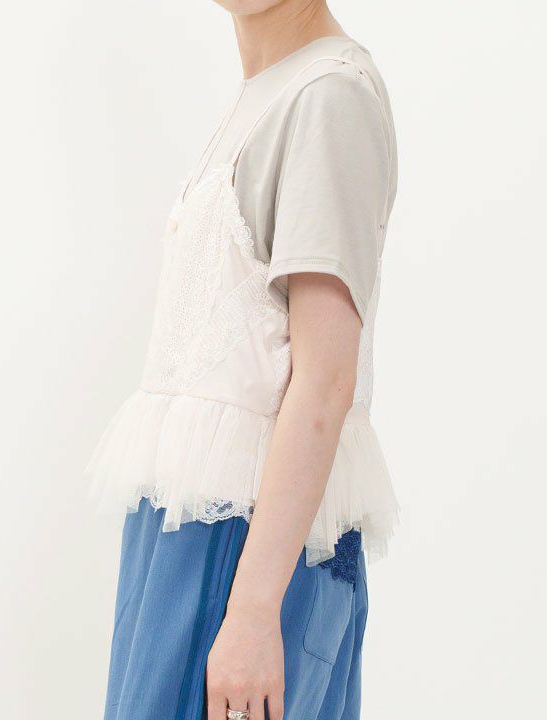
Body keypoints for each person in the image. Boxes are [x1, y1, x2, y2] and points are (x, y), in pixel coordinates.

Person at [86, 1, 399, 718]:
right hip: (188, 537)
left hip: (247, 551)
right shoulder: (268, 90)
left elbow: (326, 379)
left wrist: (255, 614)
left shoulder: (329, 95)